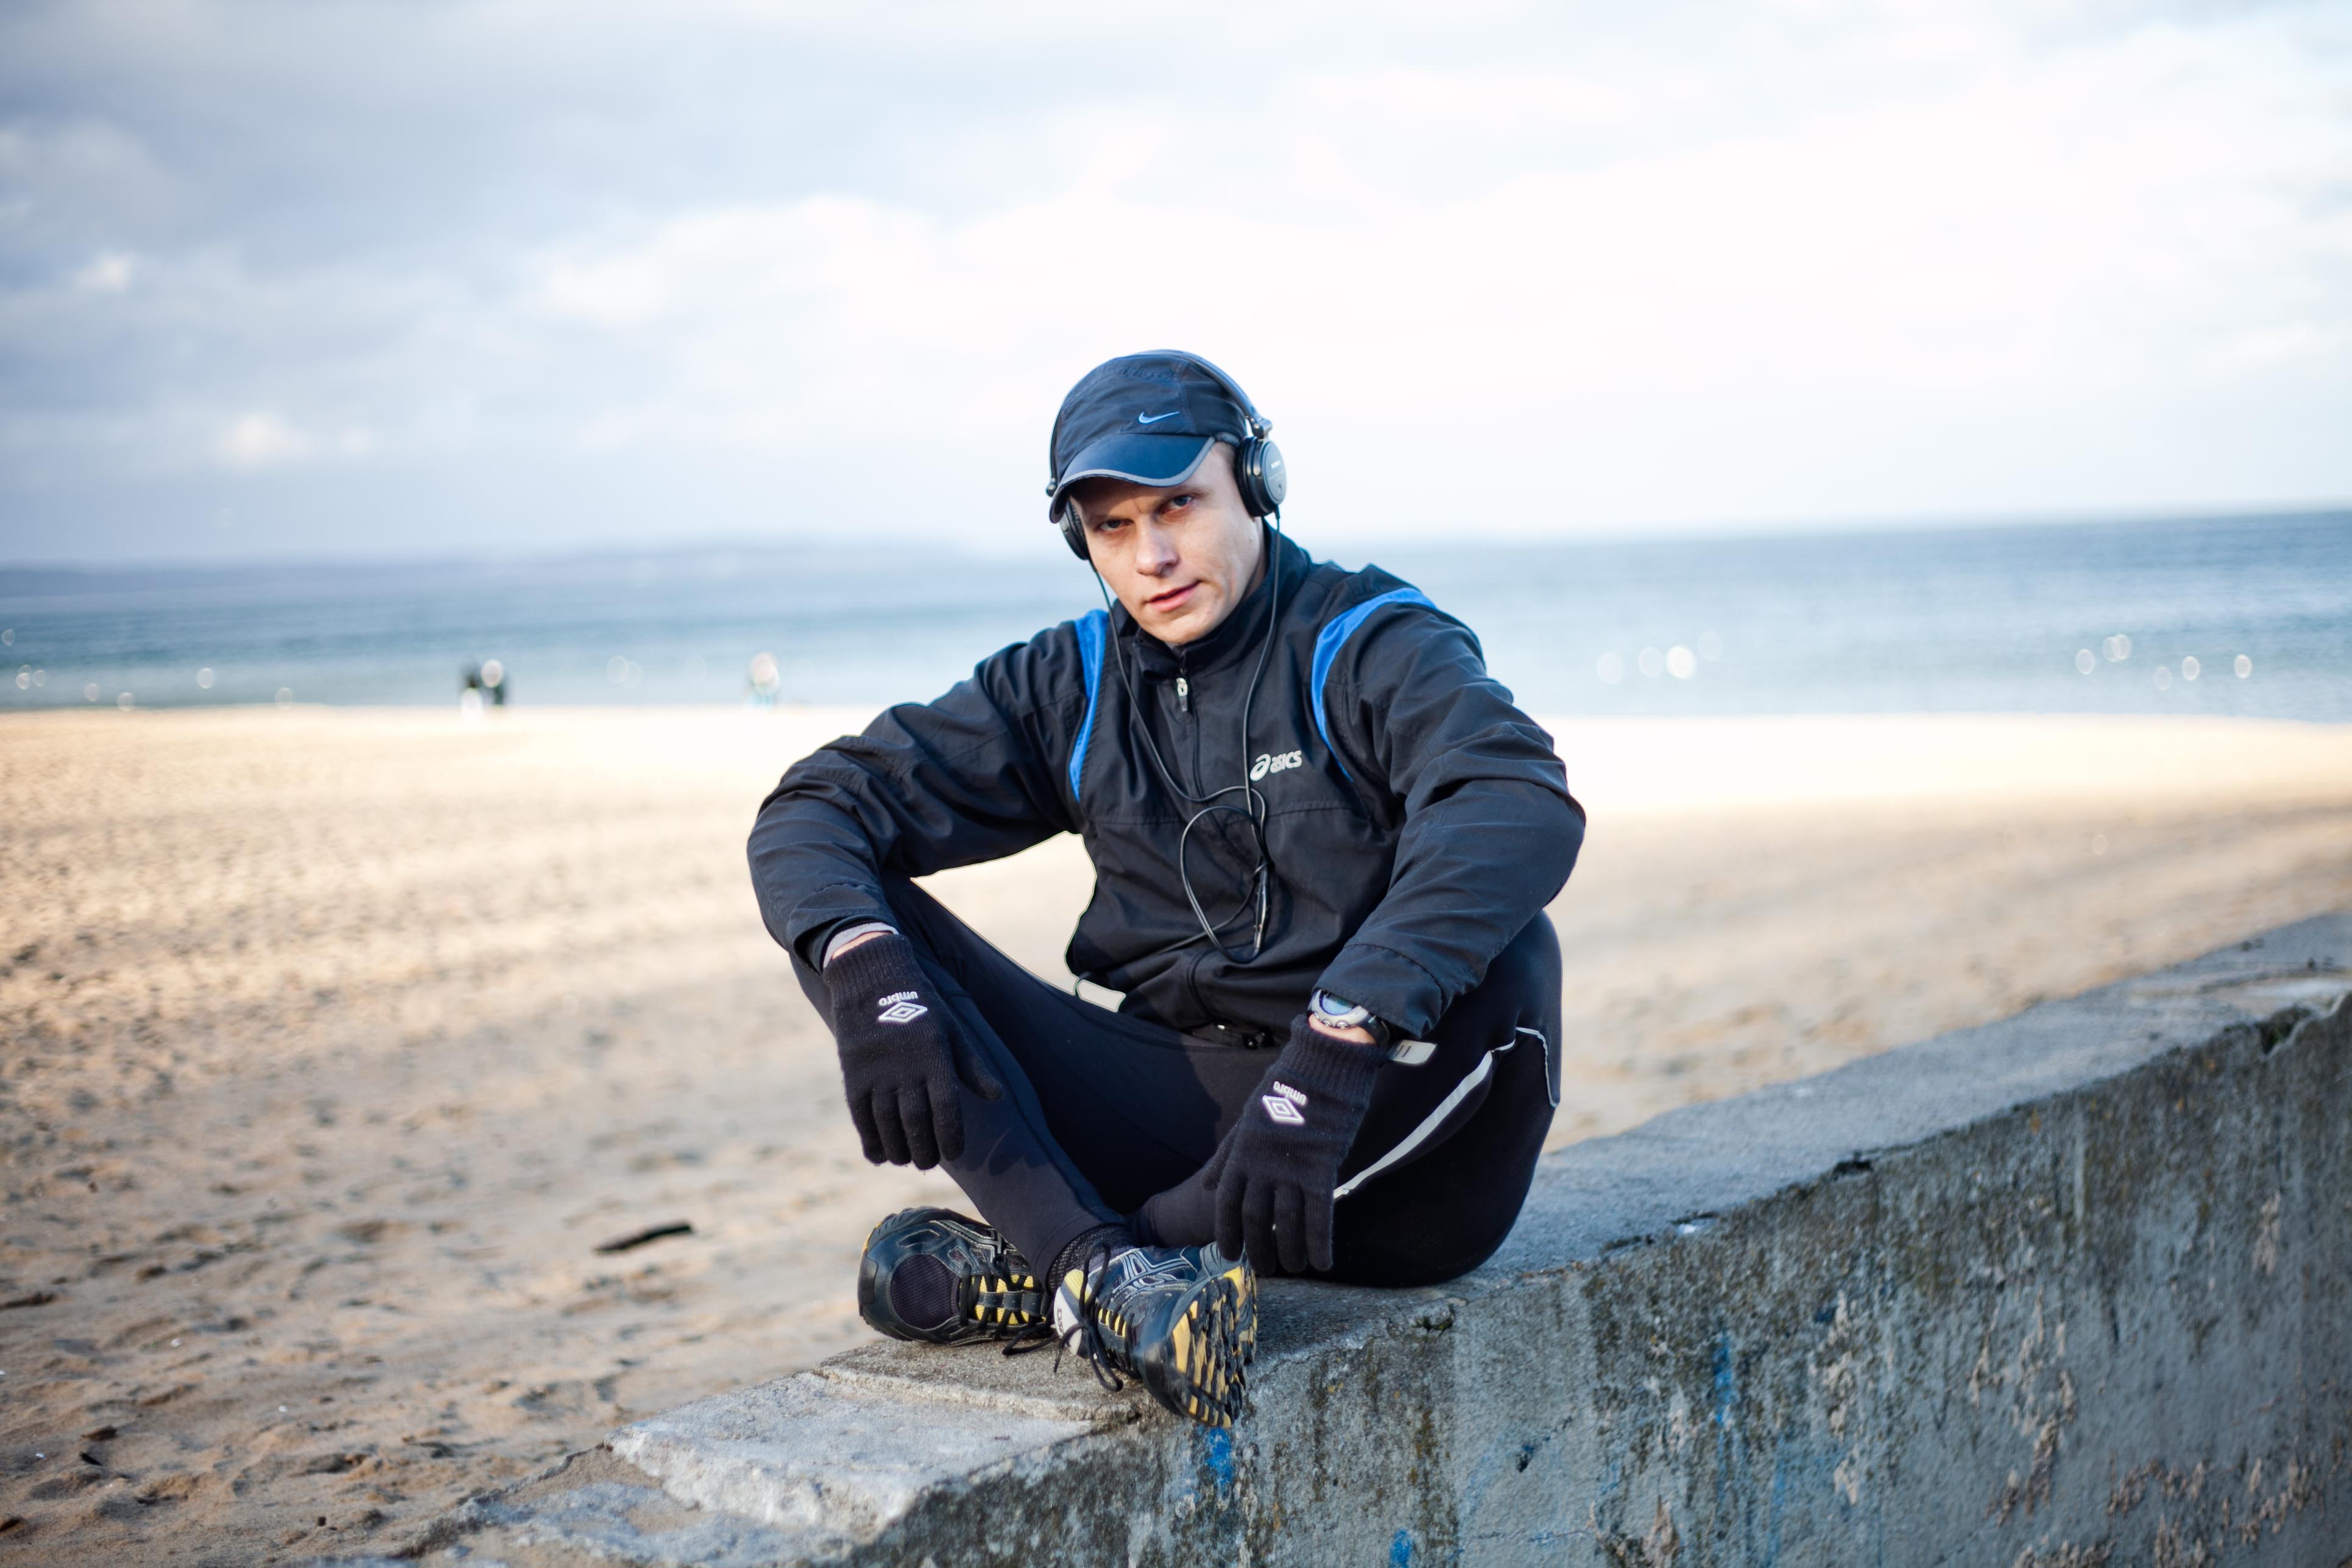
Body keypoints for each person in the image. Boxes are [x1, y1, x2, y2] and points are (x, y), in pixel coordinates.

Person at [747, 352, 1584, 1428]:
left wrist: (1338, 1041)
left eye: (1178, 504)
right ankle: (1101, 1270)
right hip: (1166, 1102)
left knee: (1517, 957)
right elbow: (815, 805)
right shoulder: (1070, 680)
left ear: (1255, 483)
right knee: (854, 921)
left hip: (1364, 1141)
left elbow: (1514, 796)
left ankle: (1074, 1267)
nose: (1150, 556)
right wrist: (869, 974)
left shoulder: (1365, 641)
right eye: (1111, 527)